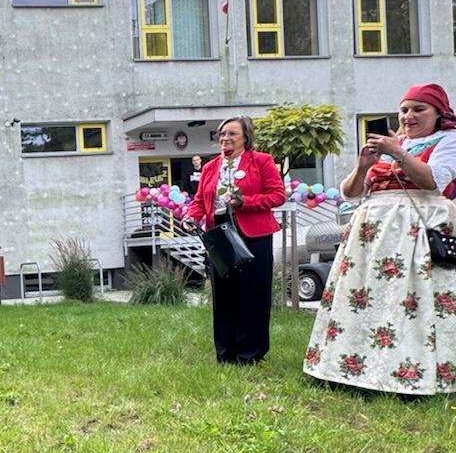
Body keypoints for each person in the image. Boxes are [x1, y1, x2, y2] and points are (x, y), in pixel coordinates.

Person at [303, 84, 456, 395]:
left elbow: (432, 181)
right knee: (365, 297)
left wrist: (397, 153)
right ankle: (355, 369)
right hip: (372, 235)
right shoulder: (392, 143)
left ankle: (415, 373)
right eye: (404, 110)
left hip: (415, 228)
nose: (409, 116)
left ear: (439, 113)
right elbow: (350, 192)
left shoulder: (448, 141)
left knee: (413, 299)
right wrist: (363, 166)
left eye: (418, 109)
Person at [184, 116, 286, 364]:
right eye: (221, 134)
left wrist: (246, 202)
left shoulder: (261, 161)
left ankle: (251, 354)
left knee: (254, 293)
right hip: (220, 234)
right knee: (224, 295)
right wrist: (191, 216)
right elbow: (199, 201)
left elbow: (278, 195)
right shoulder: (210, 167)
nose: (225, 139)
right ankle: (226, 353)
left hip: (254, 234)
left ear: (245, 137)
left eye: (232, 134)